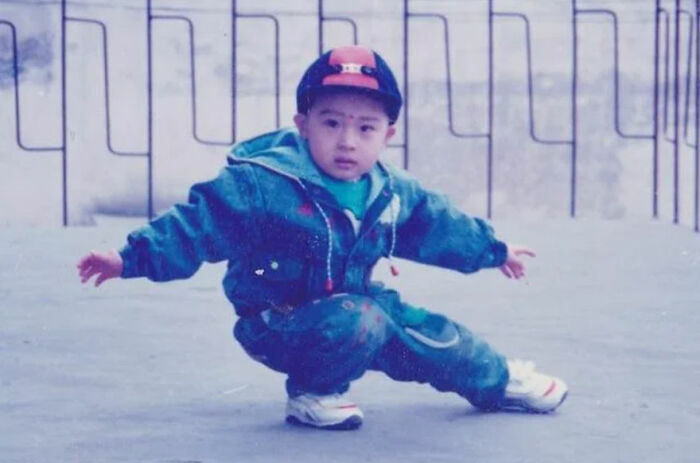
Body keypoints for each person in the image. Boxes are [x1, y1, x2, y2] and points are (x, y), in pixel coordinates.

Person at [76, 44, 568, 431]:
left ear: (388, 133)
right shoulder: (264, 184)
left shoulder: (389, 190)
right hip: (276, 323)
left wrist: (493, 250)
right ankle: (313, 392)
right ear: (303, 124)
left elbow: (436, 225)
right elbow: (198, 223)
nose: (347, 141)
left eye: (365, 128)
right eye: (331, 123)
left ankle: (497, 381)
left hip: (356, 310)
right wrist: (129, 259)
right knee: (363, 319)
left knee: (433, 336)